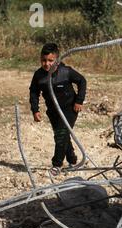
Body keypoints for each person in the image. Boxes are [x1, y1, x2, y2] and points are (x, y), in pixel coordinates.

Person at [29, 43, 86, 176]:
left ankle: (57, 164)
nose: (47, 64)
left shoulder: (66, 71)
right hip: (53, 111)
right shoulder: (39, 75)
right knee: (62, 136)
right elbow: (33, 92)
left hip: (70, 109)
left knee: (60, 135)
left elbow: (82, 81)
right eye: (44, 60)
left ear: (57, 60)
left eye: (50, 60)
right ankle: (72, 160)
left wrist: (79, 101)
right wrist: (35, 110)